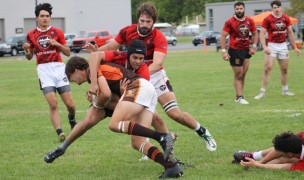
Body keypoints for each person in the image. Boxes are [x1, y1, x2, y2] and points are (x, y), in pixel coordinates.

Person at [85, 1, 217, 152]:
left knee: (174, 113)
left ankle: (202, 131)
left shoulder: (158, 37)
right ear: (138, 20)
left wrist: (138, 77)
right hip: (134, 77)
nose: (145, 24)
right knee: (146, 115)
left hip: (154, 75)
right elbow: (110, 47)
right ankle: (150, 147)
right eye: (142, 21)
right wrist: (96, 50)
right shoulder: (127, 31)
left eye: (148, 21)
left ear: (154, 22)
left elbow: (157, 63)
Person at [44, 42, 183, 178]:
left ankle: (163, 137)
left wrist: (95, 100)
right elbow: (87, 122)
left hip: (138, 87)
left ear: (76, 70)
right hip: (145, 90)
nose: (72, 82)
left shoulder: (92, 70)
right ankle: (171, 167)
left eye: (70, 78)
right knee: (138, 142)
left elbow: (105, 94)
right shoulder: (96, 79)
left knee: (114, 124)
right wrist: (63, 148)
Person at [22, 3, 77, 142]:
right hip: (43, 70)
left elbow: (68, 52)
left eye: (47, 16)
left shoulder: (57, 32)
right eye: (42, 16)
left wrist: (57, 44)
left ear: (50, 17)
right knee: (53, 104)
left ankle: (71, 118)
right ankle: (60, 132)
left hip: (59, 68)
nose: (45, 18)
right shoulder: (31, 35)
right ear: (37, 18)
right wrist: (27, 50)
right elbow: (29, 57)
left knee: (70, 105)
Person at [254, 0, 300, 100]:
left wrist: (295, 47)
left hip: (283, 46)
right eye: (274, 8)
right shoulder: (268, 19)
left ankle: (285, 90)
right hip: (272, 46)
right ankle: (262, 92)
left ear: (281, 8)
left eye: (278, 7)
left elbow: (290, 33)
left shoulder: (285, 18)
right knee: (268, 68)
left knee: (284, 69)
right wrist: (265, 47)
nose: (276, 9)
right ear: (272, 9)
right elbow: (261, 33)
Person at [220, 1, 258, 105]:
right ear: (234, 10)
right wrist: (224, 51)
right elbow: (223, 36)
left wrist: (254, 46)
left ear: (244, 9)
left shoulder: (250, 21)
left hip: (246, 50)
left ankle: (238, 96)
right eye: (237, 9)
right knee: (239, 74)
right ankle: (241, 97)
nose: (239, 11)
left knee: (243, 74)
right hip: (234, 50)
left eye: (241, 9)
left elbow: (255, 33)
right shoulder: (230, 22)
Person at [232, 131, 304, 172]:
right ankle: (254, 156)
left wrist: (258, 165)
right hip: (295, 153)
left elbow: (287, 167)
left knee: (284, 159)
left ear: (290, 154)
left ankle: (253, 163)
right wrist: (260, 162)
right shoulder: (301, 136)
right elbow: (281, 146)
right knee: (284, 146)